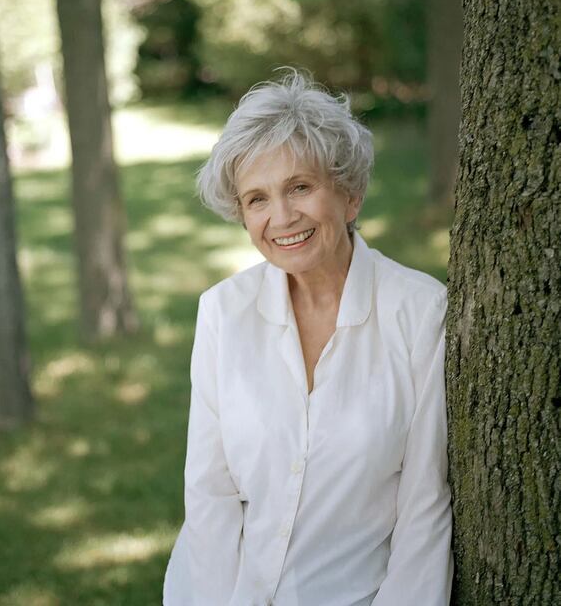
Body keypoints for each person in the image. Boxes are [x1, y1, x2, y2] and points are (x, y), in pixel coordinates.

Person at [163, 70, 452, 605]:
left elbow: (425, 507)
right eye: (257, 199)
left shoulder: (421, 312)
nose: (281, 218)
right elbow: (210, 496)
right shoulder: (223, 313)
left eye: (300, 187)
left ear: (350, 195)